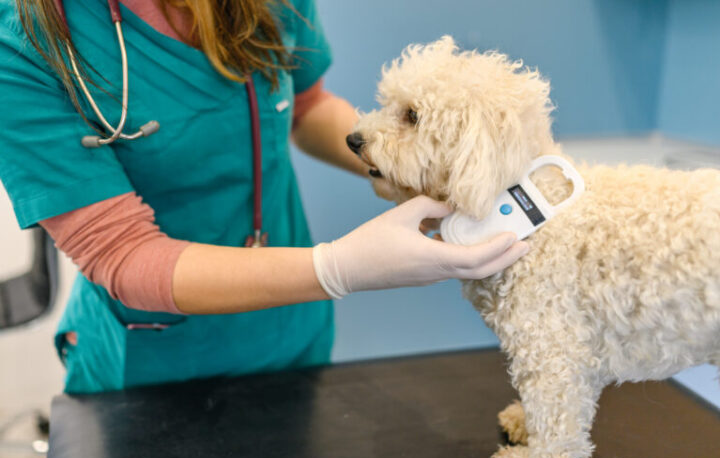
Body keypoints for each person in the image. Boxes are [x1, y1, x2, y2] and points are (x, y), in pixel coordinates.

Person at [0, 0, 529, 393]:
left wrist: (415, 169)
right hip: (152, 366)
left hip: (292, 337)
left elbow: (306, 104)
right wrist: (338, 268)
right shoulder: (26, 44)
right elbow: (120, 252)